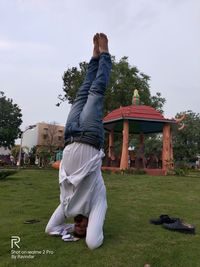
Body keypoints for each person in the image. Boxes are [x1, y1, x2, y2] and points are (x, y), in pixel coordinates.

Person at [45, 33, 112, 250]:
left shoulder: (67, 209)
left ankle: (93, 58)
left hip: (70, 135)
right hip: (91, 137)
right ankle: (105, 54)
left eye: (77, 228)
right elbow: (92, 243)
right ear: (90, 222)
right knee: (96, 91)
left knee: (82, 92)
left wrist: (68, 232)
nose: (79, 226)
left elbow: (50, 229)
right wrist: (89, 230)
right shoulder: (96, 202)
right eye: (83, 227)